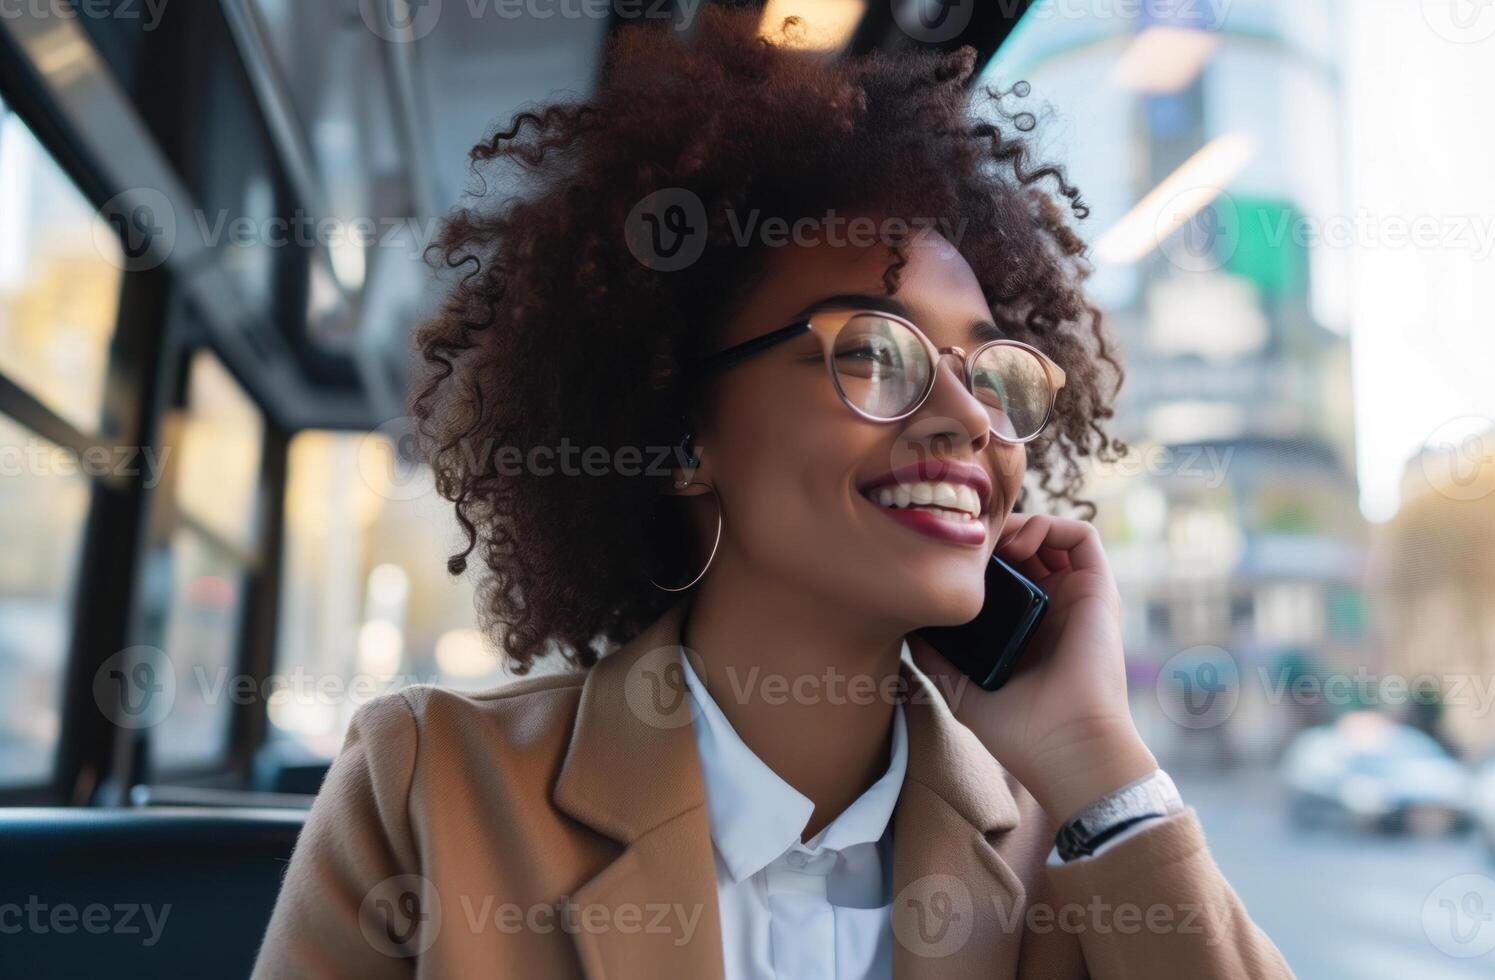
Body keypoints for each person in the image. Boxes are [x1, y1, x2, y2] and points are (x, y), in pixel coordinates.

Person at [251, 8, 1292, 978]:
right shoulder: (431, 787)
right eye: (878, 354)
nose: (971, 419)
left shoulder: (1070, 845)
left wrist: (1097, 759)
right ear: (681, 433)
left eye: (993, 374)